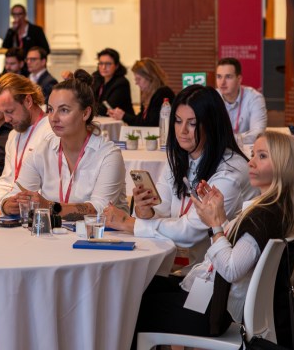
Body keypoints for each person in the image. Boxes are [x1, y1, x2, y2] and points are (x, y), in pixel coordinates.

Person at [132, 132, 294, 349]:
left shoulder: (264, 216)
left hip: (212, 311)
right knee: (139, 286)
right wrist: (220, 217)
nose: (251, 162)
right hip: (210, 300)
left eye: (262, 156)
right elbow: (240, 249)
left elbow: (231, 269)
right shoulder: (273, 209)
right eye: (253, 154)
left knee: (130, 303)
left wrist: (215, 226)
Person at [104, 85, 257, 269]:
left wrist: (130, 223)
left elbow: (191, 232)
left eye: (192, 123)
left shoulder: (230, 171)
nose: (182, 130)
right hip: (180, 267)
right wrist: (146, 212)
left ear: (211, 125)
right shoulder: (180, 159)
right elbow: (161, 209)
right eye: (177, 121)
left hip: (212, 275)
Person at [0, 70, 128, 218]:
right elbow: (16, 192)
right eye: (50, 109)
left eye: (64, 110)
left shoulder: (108, 154)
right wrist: (8, 205)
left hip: (99, 232)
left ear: (85, 113)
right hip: (54, 231)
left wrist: (50, 206)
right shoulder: (43, 150)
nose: (53, 118)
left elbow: (100, 209)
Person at [0, 73, 55, 199]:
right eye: (3, 113)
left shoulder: (52, 132)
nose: (6, 119)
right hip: (14, 204)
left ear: (28, 101)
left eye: (10, 111)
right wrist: (1, 204)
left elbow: (51, 188)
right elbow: (6, 181)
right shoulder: (13, 135)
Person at [108, 57, 175, 126]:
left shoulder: (163, 93)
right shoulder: (148, 95)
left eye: (139, 79)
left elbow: (150, 124)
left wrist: (124, 116)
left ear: (150, 77)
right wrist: (122, 115)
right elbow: (140, 120)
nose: (136, 83)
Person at [216, 57, 267, 145]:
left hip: (245, 150)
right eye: (219, 76)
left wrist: (226, 139)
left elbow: (258, 133)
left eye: (228, 77)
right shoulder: (212, 97)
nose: (222, 82)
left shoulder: (254, 98)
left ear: (239, 79)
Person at [91, 47, 133, 117]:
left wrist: (87, 105)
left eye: (108, 64)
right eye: (101, 63)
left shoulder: (121, 83)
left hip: (121, 122)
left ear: (116, 66)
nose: (103, 67)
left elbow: (107, 109)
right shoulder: (97, 79)